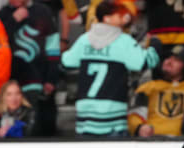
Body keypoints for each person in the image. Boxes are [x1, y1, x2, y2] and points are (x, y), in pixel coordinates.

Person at [61, 0, 161, 138]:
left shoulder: (84, 40)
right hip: (113, 116)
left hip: (85, 115)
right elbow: (144, 62)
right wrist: (155, 44)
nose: (124, 16)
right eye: (119, 13)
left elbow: (66, 62)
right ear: (107, 18)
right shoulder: (123, 41)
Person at [0, 0, 60, 136]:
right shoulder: (1, 15)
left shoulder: (43, 11)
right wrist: (13, 20)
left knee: (41, 124)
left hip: (38, 78)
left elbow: (53, 47)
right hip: (11, 80)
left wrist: (51, 78)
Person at [129, 46, 184, 138]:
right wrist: (139, 127)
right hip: (151, 142)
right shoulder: (148, 87)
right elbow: (134, 114)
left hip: (181, 142)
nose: (169, 62)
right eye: (167, 58)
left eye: (176, 60)